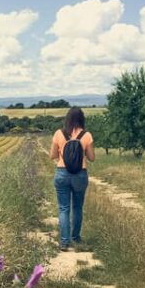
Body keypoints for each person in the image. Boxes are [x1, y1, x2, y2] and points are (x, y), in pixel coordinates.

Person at [49, 107, 95, 251]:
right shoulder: (86, 135)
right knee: (77, 207)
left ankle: (64, 242)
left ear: (67, 118)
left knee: (64, 208)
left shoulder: (59, 133)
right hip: (80, 174)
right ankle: (76, 237)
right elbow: (92, 158)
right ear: (82, 119)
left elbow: (52, 156)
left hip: (62, 173)